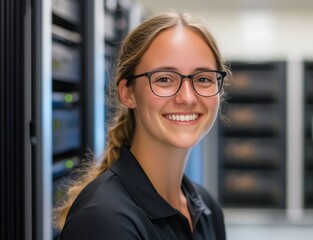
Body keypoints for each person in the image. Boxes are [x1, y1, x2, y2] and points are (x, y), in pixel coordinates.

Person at [54, 12, 230, 240]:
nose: (187, 97)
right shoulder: (103, 221)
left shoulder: (206, 208)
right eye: (164, 79)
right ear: (128, 93)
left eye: (203, 79)